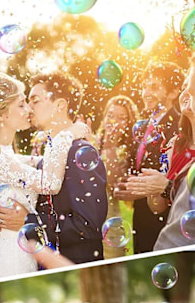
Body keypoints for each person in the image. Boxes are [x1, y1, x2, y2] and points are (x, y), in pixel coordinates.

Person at [0, 72, 90, 278]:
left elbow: (44, 164)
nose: (29, 109)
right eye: (22, 105)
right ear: (1, 114)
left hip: (24, 248)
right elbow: (49, 183)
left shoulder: (3, 152)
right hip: (12, 258)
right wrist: (67, 135)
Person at [26, 72, 108, 263]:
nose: (29, 108)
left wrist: (28, 224)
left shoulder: (83, 152)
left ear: (60, 105)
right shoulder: (52, 150)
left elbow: (87, 224)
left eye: (35, 100)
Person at [114, 62, 183, 252]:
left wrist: (143, 190)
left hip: (165, 220)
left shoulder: (180, 127)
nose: (146, 92)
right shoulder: (143, 126)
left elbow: (176, 179)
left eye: (154, 87)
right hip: (141, 218)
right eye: (145, 86)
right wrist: (129, 186)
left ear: (173, 93)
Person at [95, 95, 140, 258]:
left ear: (129, 123)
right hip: (89, 222)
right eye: (111, 115)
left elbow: (116, 186)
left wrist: (111, 147)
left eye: (122, 118)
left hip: (111, 223)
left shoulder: (129, 150)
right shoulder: (93, 142)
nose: (114, 121)